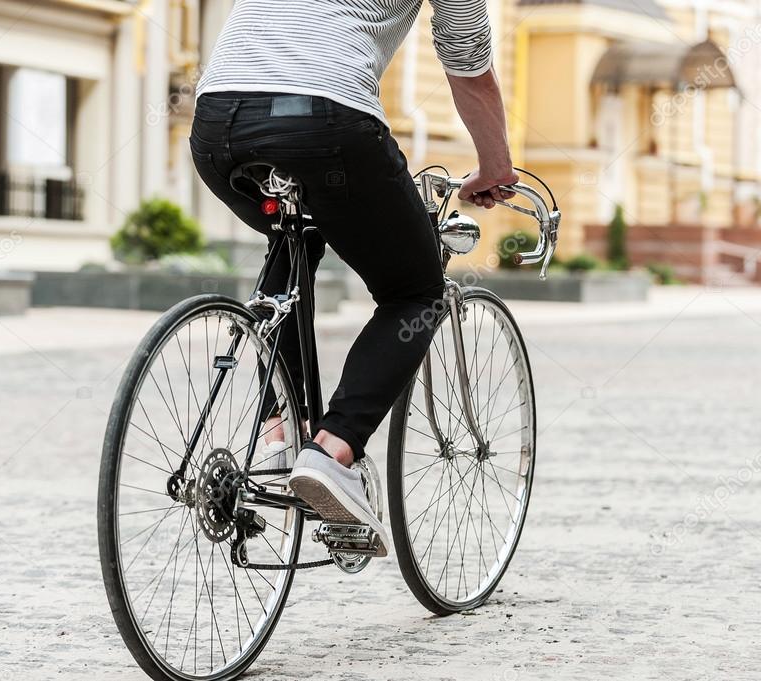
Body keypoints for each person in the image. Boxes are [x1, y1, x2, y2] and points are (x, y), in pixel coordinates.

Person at [192, 0, 517, 556]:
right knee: (416, 292)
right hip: (324, 120)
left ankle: (281, 431)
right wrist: (495, 166)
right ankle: (334, 450)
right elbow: (467, 60)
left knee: (295, 239)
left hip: (218, 123)